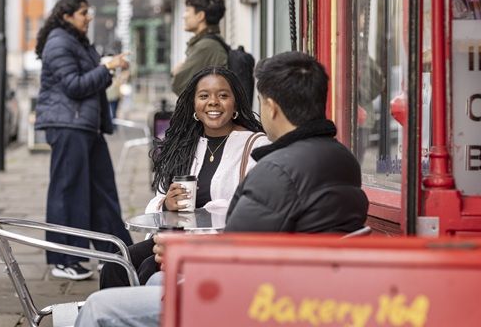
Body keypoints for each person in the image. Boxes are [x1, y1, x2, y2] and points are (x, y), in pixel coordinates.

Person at [75, 52, 369, 326]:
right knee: (140, 271)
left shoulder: (275, 169)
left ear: (271, 107)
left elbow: (234, 257)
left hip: (262, 299)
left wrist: (182, 252)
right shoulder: (344, 158)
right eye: (204, 96)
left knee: (99, 306)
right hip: (307, 287)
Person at [99, 66, 269, 289]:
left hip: (223, 245)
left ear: (235, 103)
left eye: (223, 95)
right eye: (204, 96)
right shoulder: (185, 146)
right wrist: (167, 204)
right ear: (194, 106)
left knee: (149, 268)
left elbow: (255, 208)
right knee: (116, 264)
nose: (214, 102)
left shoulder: (255, 145)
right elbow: (156, 205)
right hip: (177, 237)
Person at [34, 0, 133, 281]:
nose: (88, 17)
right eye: (82, 13)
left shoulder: (76, 41)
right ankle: (64, 258)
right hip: (69, 126)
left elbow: (87, 78)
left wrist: (107, 68)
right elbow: (75, 86)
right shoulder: (59, 42)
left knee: (102, 190)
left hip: (85, 126)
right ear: (66, 16)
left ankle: (112, 253)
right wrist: (107, 68)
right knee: (69, 192)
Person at [170, 0, 228, 95]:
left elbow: (180, 86)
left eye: (187, 10)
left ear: (200, 16)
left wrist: (176, 72)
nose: (184, 16)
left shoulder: (206, 46)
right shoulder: (209, 43)